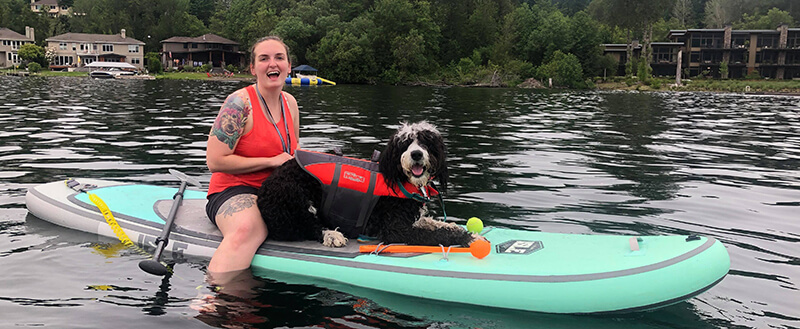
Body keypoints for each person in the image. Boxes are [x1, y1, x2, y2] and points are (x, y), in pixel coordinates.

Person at [205, 36, 299, 273]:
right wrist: (270, 161)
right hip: (234, 190)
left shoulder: (291, 103)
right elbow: (215, 161)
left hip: (277, 190)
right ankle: (211, 302)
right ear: (253, 67)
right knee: (250, 228)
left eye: (279, 57)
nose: (272, 64)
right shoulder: (239, 103)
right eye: (264, 58)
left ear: (289, 65)